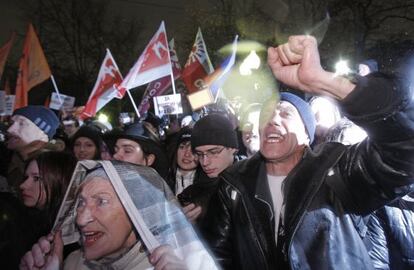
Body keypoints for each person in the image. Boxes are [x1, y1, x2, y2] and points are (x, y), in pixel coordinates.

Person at [200, 35, 414, 269]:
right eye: (266, 114)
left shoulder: (337, 169)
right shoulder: (233, 185)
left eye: (285, 113)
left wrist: (323, 82)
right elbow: (217, 258)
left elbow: (405, 150)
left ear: (306, 134)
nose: (272, 119)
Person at [20, 161, 218, 270]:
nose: (81, 219)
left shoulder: (176, 265)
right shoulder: (72, 263)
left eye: (102, 201)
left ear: (137, 212)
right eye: (80, 203)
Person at [179, 113, 239, 224]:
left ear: (233, 148)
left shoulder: (254, 184)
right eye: (200, 154)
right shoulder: (189, 196)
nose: (205, 162)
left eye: (214, 152)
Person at [4, 106, 60, 192]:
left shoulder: (51, 171)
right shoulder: (7, 156)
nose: (10, 129)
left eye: (21, 124)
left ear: (43, 135)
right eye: (11, 123)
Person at [166, 126, 200, 196]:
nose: (187, 154)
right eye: (182, 147)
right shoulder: (163, 178)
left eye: (194, 150)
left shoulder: (208, 184)